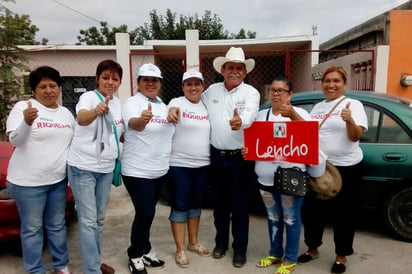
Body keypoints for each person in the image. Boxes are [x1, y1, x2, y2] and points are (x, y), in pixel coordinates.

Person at [298, 66, 368, 274]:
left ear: (345, 84)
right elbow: (307, 133)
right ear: (322, 84)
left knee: (345, 214)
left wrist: (349, 120)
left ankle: (341, 256)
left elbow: (355, 137)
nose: (331, 85)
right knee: (312, 212)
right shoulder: (318, 108)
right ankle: (312, 249)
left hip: (347, 168)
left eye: (336, 81)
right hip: (319, 166)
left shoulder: (353, 105)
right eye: (327, 81)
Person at [6, 66, 75, 274]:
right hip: (28, 184)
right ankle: (35, 269)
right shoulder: (23, 107)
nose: (48, 90)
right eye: (42, 86)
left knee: (56, 226)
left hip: (57, 182)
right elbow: (14, 140)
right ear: (34, 90)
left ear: (59, 88)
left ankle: (61, 265)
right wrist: (27, 122)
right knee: (32, 229)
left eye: (53, 85)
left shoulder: (65, 113)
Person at [241, 76, 311, 274]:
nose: (276, 94)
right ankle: (274, 253)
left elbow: (311, 139)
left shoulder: (303, 114)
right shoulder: (260, 116)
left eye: (281, 90)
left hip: (291, 179)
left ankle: (289, 260)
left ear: (290, 94)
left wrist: (294, 116)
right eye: (273, 90)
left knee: (291, 218)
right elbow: (252, 143)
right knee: (273, 218)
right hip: (265, 179)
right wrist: (247, 151)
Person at [201, 47, 260, 267]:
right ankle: (221, 244)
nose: (234, 71)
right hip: (216, 156)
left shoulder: (251, 93)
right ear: (223, 70)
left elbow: (250, 114)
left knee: (240, 206)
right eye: (231, 67)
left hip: (240, 160)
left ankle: (240, 250)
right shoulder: (211, 91)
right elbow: (196, 105)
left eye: (239, 68)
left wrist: (241, 122)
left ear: (244, 73)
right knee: (219, 205)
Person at [67, 59, 124, 274]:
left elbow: (120, 130)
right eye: (106, 77)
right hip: (83, 167)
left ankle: (95, 262)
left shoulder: (118, 103)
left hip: (106, 169)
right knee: (89, 221)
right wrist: (95, 111)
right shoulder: (88, 97)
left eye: (115, 79)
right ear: (97, 79)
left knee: (99, 220)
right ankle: (92, 270)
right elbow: (81, 119)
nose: (110, 82)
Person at [121, 63, 174, 274]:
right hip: (136, 171)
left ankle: (145, 249)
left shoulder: (163, 104)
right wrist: (142, 120)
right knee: (145, 212)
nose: (150, 84)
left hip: (158, 170)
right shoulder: (132, 103)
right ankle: (134, 254)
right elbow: (133, 124)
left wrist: (173, 116)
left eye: (154, 80)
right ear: (138, 83)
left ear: (160, 83)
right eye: (146, 80)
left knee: (148, 214)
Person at [167, 70, 211, 268]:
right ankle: (180, 249)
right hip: (179, 165)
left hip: (203, 165)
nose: (193, 88)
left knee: (195, 205)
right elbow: (171, 112)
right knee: (180, 206)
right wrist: (171, 113)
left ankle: (193, 243)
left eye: (197, 84)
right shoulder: (177, 102)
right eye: (189, 84)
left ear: (202, 86)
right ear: (183, 86)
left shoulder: (205, 105)